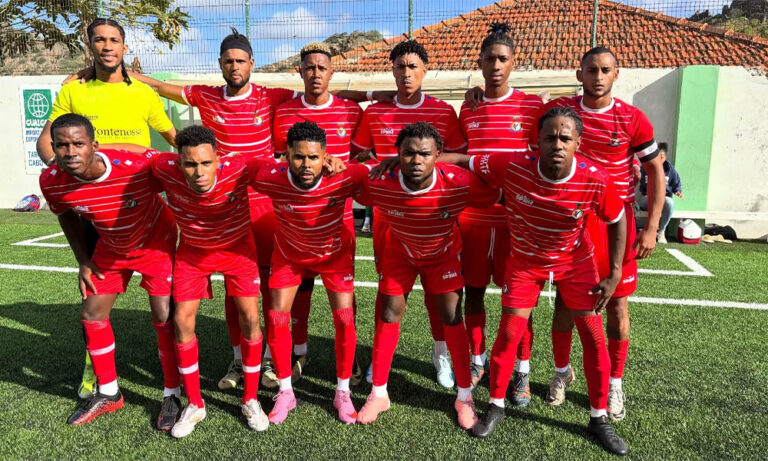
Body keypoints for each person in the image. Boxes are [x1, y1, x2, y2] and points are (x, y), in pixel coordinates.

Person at [112, 27, 299, 392]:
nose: (235, 66)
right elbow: (161, 87)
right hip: (223, 204)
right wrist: (118, 71)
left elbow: (316, 97)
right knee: (234, 289)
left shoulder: (272, 96)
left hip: (263, 207)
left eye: (240, 60)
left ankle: (272, 358)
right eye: (228, 61)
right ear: (220, 64)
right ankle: (238, 358)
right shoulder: (206, 95)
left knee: (269, 287)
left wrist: (376, 96)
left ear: (252, 63)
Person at [439, 107, 629, 455]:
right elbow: (465, 160)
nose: (557, 144)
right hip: (525, 262)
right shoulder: (512, 164)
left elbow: (618, 218)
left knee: (593, 337)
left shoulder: (595, 178)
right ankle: (496, 405)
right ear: (537, 141)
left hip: (575, 263)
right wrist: (412, 161)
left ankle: (599, 417)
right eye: (550, 137)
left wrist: (615, 271)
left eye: (565, 138)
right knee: (510, 332)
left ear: (578, 143)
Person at [36, 18, 178, 400]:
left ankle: (173, 383)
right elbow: (47, 140)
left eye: (114, 39)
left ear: (124, 46)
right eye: (100, 39)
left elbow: (174, 138)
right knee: (91, 294)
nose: (107, 46)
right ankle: (95, 370)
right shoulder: (75, 89)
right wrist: (62, 173)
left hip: (136, 203)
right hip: (92, 208)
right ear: (90, 45)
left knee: (165, 309)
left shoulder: (142, 94)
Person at [532, 47, 666, 421]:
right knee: (563, 303)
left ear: (616, 74)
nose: (598, 76)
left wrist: (652, 227)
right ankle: (562, 371)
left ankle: (615, 382)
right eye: (591, 70)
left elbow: (655, 169)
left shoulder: (631, 118)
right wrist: (476, 93)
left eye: (605, 70)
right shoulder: (559, 111)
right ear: (580, 74)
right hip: (571, 221)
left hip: (614, 225)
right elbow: (522, 119)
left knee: (617, 305)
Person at [39, 114, 180, 430]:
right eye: (61, 145)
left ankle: (172, 392)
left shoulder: (136, 167)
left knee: (163, 316)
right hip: (112, 246)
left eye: (78, 144)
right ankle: (109, 392)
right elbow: (66, 216)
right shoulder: (51, 181)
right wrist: (83, 260)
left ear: (94, 145)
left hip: (156, 242)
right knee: (91, 313)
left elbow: (183, 178)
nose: (70, 152)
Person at [356, 122, 500, 430]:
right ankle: (379, 393)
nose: (416, 160)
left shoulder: (459, 182)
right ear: (397, 154)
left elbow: (494, 190)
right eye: (408, 153)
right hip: (400, 252)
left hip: (442, 255)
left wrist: (462, 160)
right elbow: (346, 177)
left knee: (451, 316)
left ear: (437, 155)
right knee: (389, 313)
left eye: (425, 154)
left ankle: (464, 397)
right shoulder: (379, 180)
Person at [351, 39, 468, 388]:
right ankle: (379, 361)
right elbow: (359, 157)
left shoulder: (443, 112)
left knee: (439, 296)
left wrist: (405, 161)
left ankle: (441, 354)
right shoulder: (375, 113)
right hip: (389, 219)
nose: (406, 73)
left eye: (413, 66)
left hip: (434, 217)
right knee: (387, 294)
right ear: (392, 70)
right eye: (400, 67)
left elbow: (459, 160)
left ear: (425, 70)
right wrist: (379, 163)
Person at [144, 126, 267, 438]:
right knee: (181, 321)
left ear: (218, 159)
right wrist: (98, 151)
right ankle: (196, 403)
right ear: (178, 162)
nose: (199, 172)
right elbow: (132, 152)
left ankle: (250, 399)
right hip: (193, 253)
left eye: (205, 163)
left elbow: (284, 167)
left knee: (250, 318)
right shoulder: (164, 167)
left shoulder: (240, 166)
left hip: (238, 250)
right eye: (190, 164)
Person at [250, 122, 369, 425]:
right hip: (289, 257)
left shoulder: (345, 175)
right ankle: (286, 392)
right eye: (299, 157)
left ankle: (343, 392)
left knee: (345, 319)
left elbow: (384, 170)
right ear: (286, 156)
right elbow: (234, 166)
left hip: (334, 257)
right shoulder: (269, 176)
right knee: (276, 318)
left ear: (325, 156)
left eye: (314, 157)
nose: (306, 164)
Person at [458, 22, 543, 402]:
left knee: (520, 303)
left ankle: (522, 371)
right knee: (473, 293)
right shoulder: (468, 106)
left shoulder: (531, 106)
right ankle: (477, 360)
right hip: (474, 220)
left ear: (513, 63)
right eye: (490, 59)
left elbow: (540, 158)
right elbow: (460, 158)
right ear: (479, 62)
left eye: (503, 59)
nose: (496, 65)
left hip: (516, 223)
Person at [271, 42, 364, 385]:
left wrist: (343, 164)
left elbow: (362, 158)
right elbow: (281, 158)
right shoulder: (284, 112)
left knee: (344, 296)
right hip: (298, 218)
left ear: (331, 72)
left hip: (339, 219)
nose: (315, 73)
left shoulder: (350, 111)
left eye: (321, 68)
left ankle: (350, 358)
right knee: (301, 285)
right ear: (300, 71)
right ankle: (299, 350)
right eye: (309, 67)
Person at [637, 142, 682, 243]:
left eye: (662, 156)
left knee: (670, 202)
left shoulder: (670, 170)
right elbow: (639, 180)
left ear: (665, 157)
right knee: (655, 198)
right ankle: (649, 230)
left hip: (663, 200)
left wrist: (677, 191)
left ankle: (661, 231)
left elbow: (676, 184)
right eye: (658, 156)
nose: (660, 159)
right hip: (646, 198)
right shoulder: (646, 167)